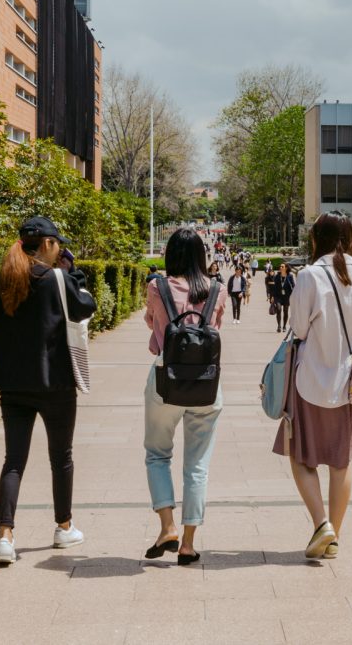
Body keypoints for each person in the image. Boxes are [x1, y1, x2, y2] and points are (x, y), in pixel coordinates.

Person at [0, 216, 97, 567]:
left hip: (12, 385)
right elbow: (86, 307)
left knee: (13, 460)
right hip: (55, 383)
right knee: (60, 457)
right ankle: (63, 527)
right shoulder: (58, 279)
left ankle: (5, 536)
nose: (60, 248)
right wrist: (73, 273)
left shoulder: (0, 281)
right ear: (47, 244)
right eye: (57, 243)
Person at [273, 212, 352, 560]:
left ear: (315, 238)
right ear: (350, 235)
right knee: (341, 462)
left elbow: (299, 330)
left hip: (311, 379)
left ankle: (322, 524)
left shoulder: (310, 275)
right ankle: (334, 535)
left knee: (299, 455)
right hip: (350, 383)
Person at [142, 229, 225, 566]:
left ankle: (167, 527)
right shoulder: (217, 289)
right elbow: (217, 327)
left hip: (166, 380)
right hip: (207, 384)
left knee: (157, 454)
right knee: (197, 465)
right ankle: (189, 543)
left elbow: (151, 323)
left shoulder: (156, 287)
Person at [273, 262, 295, 332]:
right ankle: (279, 326)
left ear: (286, 268)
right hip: (278, 296)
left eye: (282, 266)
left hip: (287, 296)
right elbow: (274, 287)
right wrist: (272, 296)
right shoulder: (277, 276)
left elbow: (293, 286)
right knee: (279, 309)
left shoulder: (290, 276)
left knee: (285, 311)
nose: (280, 267)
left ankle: (284, 326)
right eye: (280, 266)